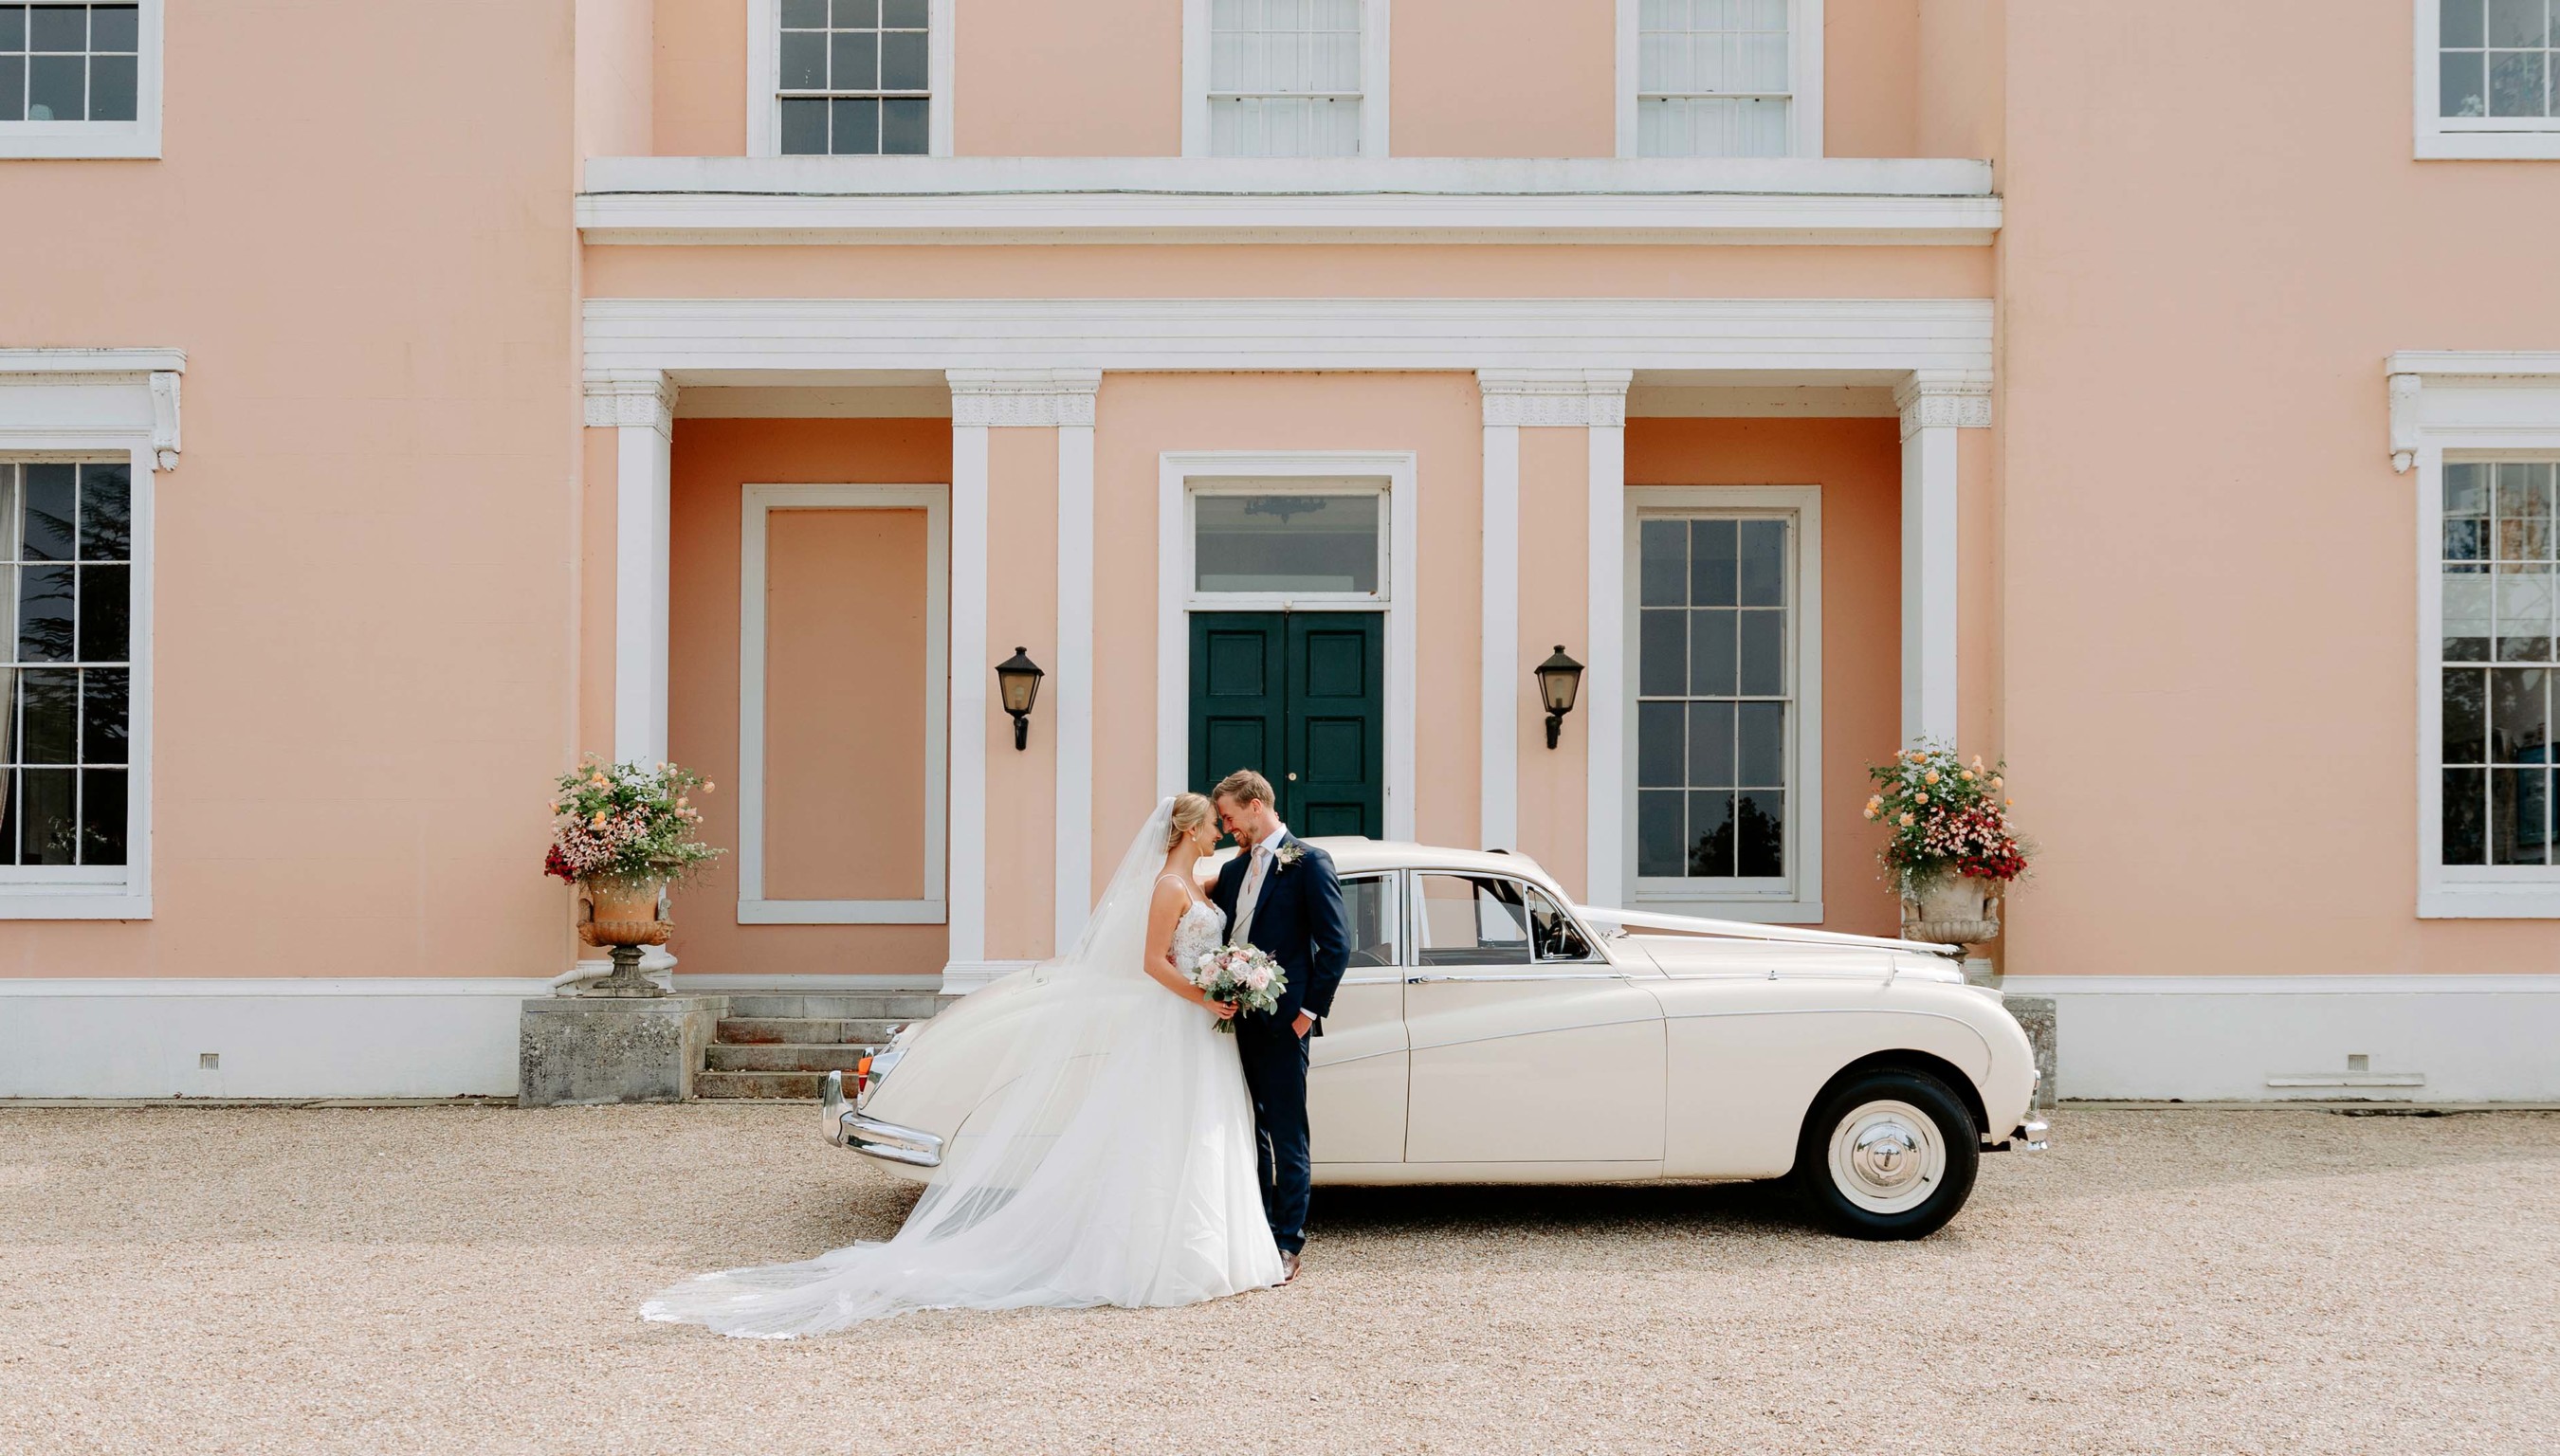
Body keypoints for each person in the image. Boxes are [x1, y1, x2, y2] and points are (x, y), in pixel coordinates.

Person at [639, 793, 1283, 1337]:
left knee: (1193, 1131)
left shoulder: (1196, 883)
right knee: (1161, 1132)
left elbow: (1223, 902)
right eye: (1213, 825)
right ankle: (1159, 1256)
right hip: (1177, 1019)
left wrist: (1231, 969)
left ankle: (1208, 1249)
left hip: (1196, 1028)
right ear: (1190, 830)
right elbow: (1151, 962)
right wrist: (1207, 996)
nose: (1219, 832)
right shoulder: (1168, 888)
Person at [1206, 769, 1350, 1286]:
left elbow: (1336, 945)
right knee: (1250, 1131)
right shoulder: (1232, 869)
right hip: (1232, 1024)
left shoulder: (1310, 862)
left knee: (1288, 1134)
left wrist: (1307, 1015)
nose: (1226, 828)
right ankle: (1256, 1235)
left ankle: (1288, 1241)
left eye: (1229, 817)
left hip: (1286, 1023)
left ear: (1255, 805)